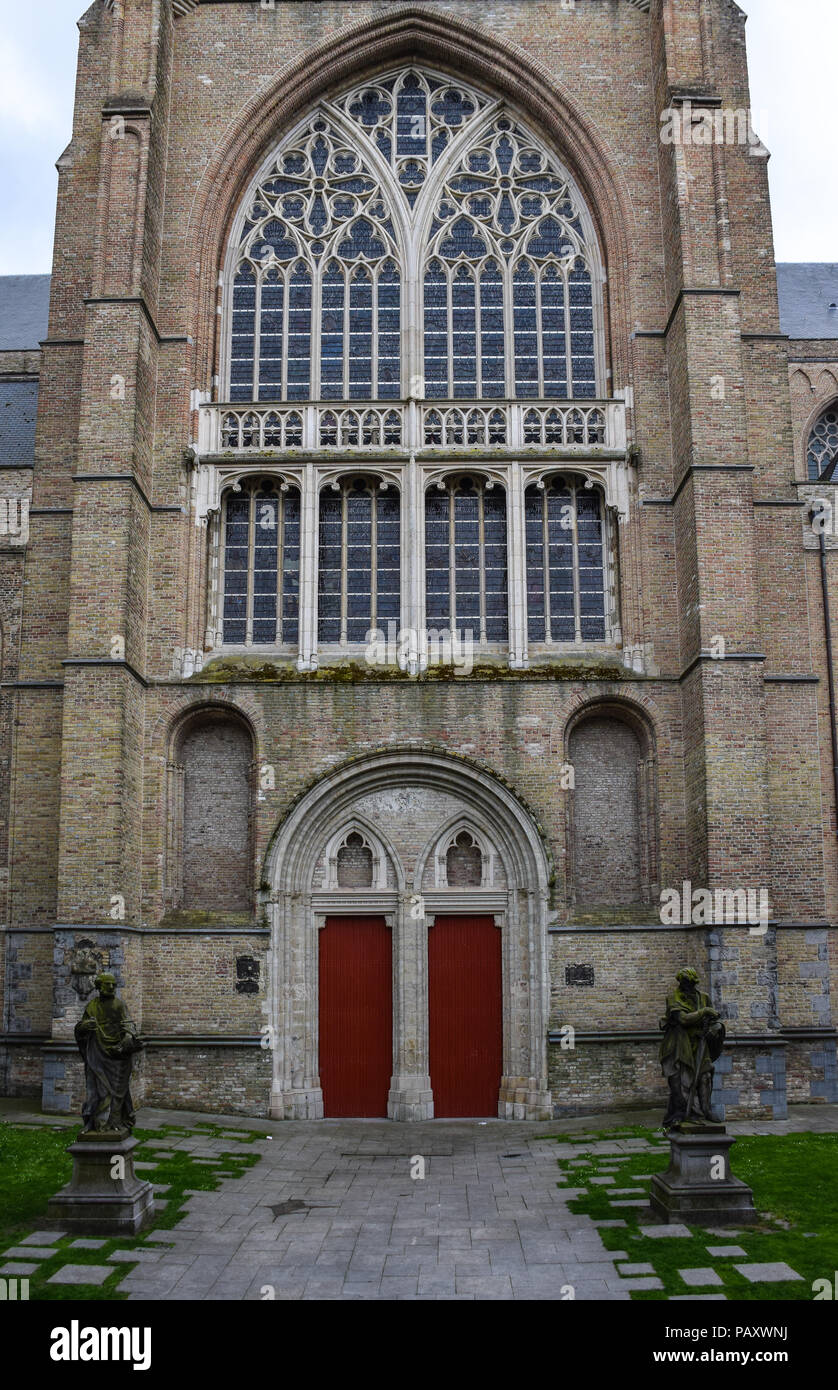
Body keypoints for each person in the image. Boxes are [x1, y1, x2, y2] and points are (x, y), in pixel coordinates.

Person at [74, 971, 143, 1133]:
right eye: (107, 984)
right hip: (96, 1055)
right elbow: (80, 1028)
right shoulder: (91, 1006)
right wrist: (84, 1027)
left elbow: (129, 1025)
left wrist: (127, 1037)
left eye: (113, 984)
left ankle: (115, 1122)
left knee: (117, 1092)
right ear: (99, 986)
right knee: (96, 1091)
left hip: (117, 1057)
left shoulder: (119, 1005)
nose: (111, 987)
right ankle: (93, 1123)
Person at [659, 966, 725, 1126]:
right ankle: (685, 1114)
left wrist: (715, 1029)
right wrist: (704, 1012)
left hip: (700, 1045)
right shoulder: (673, 997)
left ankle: (706, 1110)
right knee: (682, 1081)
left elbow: (715, 1021)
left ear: (694, 982)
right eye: (682, 982)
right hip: (679, 1046)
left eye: (688, 982)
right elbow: (683, 1019)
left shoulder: (704, 998)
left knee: (705, 1077)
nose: (685, 985)